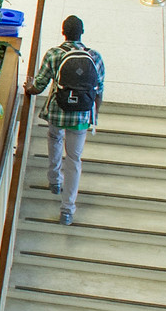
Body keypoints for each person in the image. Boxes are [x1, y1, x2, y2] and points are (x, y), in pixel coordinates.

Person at [24, 15, 105, 226]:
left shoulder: (54, 54)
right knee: (74, 159)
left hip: (58, 112)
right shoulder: (95, 57)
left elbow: (38, 87)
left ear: (63, 32)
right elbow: (99, 91)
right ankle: (68, 209)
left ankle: (54, 180)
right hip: (81, 116)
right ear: (82, 32)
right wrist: (93, 115)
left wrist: (29, 86)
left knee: (54, 138)